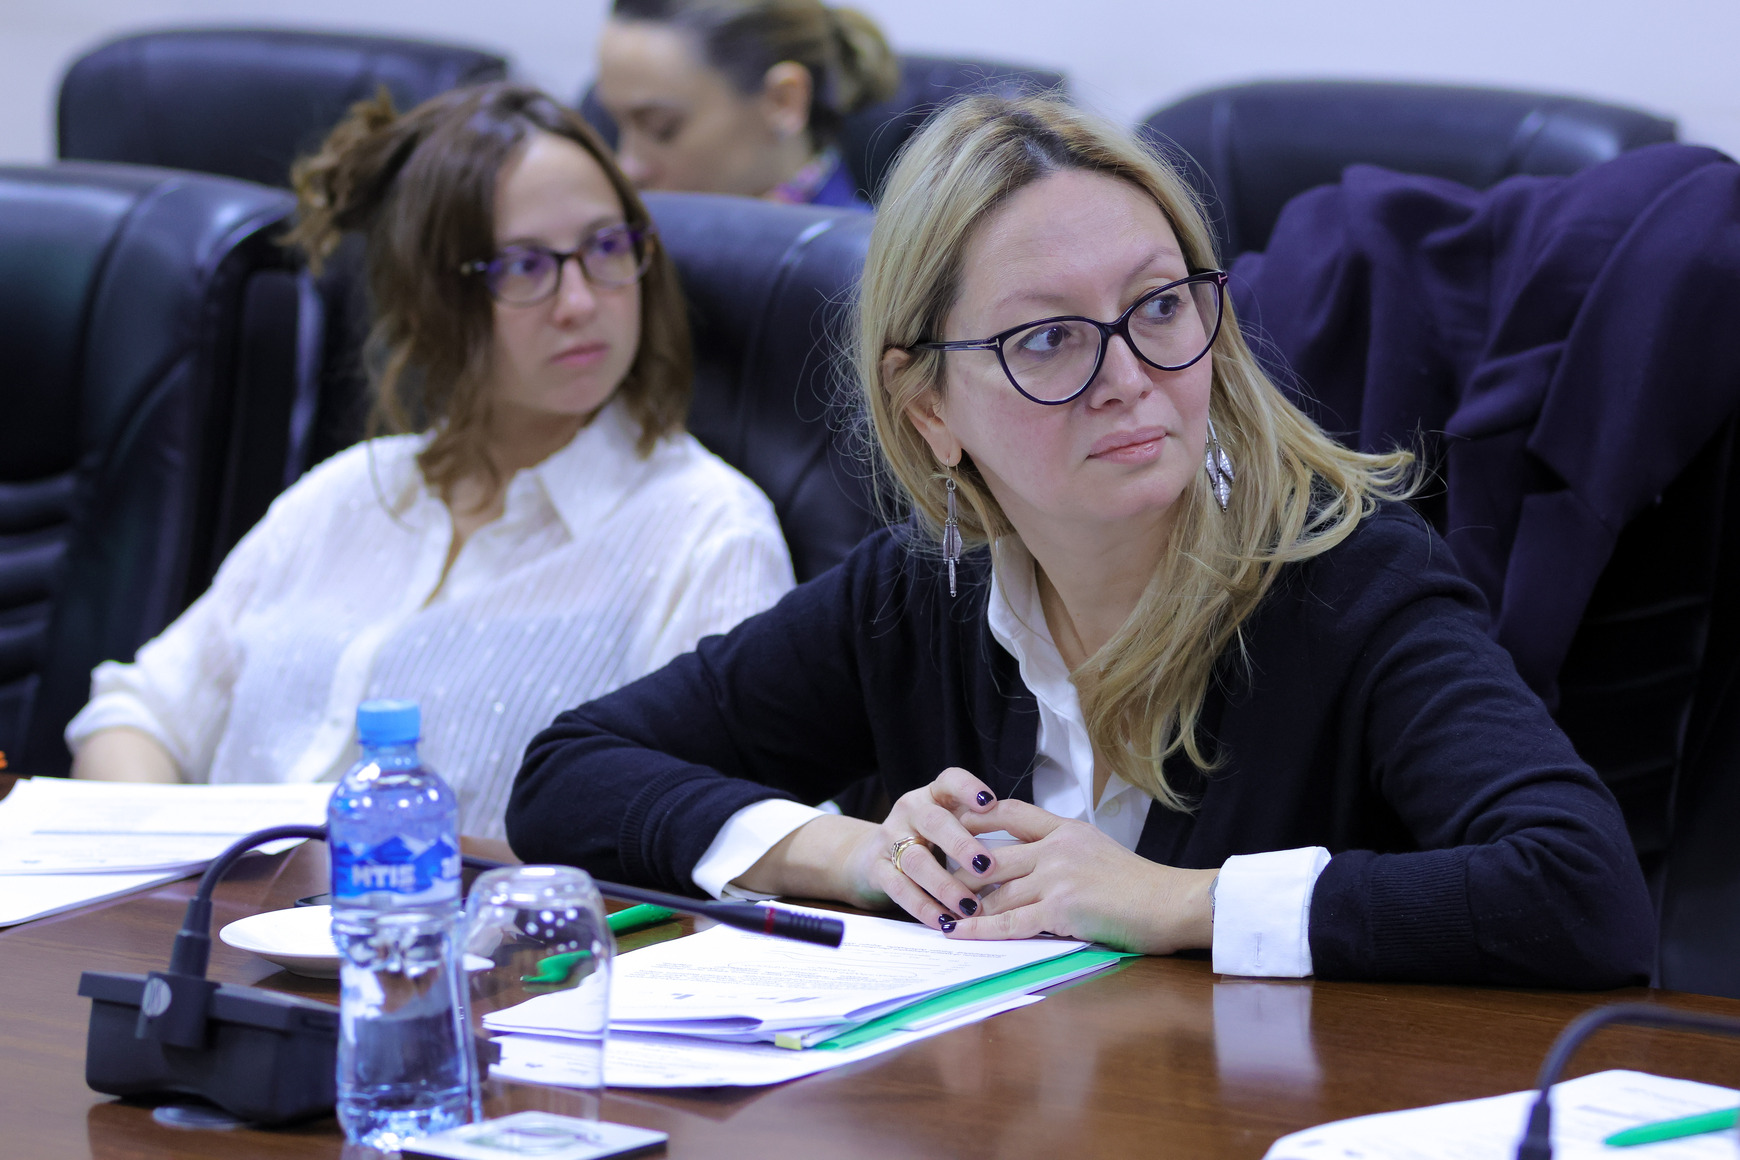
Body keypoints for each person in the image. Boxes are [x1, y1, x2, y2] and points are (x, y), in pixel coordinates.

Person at [506, 96, 1655, 986]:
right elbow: (570, 772)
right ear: (929, 407)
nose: (1128, 376)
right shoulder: (921, 589)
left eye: (1159, 306)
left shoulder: (1347, 576)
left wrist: (1174, 899)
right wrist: (854, 855)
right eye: (1049, 337)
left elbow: (1582, 891)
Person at [65, 84, 795, 840]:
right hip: (216, 907)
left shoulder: (709, 531)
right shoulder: (349, 492)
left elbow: (729, 837)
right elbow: (138, 713)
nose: (579, 302)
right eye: (524, 265)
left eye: (607, 247)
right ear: (426, 300)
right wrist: (151, 854)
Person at [594, 0, 899, 207]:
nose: (628, 168)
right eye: (615, 123)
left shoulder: (860, 273)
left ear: (783, 101)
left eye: (662, 128)